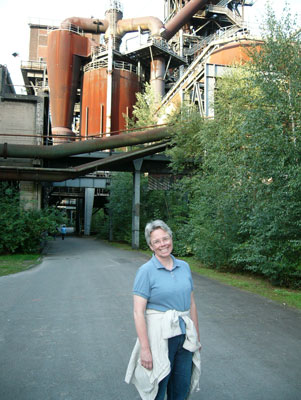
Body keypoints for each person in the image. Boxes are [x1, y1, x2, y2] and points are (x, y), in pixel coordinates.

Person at [125, 220, 201, 400]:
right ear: (151, 246)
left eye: (165, 239)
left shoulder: (184, 267)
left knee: (181, 388)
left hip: (184, 336)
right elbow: (138, 312)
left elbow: (192, 304)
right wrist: (145, 349)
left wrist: (196, 336)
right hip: (159, 337)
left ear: (171, 238)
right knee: (158, 387)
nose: (162, 244)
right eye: (156, 241)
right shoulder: (146, 271)